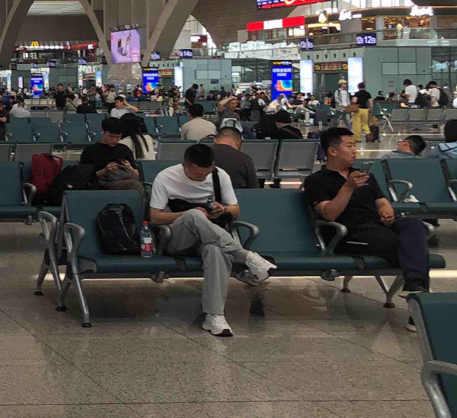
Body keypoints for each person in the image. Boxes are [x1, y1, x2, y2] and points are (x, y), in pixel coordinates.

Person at [148, 143, 274, 337]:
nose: (203, 178)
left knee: (216, 250)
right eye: (198, 175)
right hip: (177, 239)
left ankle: (215, 316)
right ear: (185, 165)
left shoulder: (219, 176)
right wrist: (188, 214)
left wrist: (222, 210)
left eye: (207, 174)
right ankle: (246, 257)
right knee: (194, 215)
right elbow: (155, 217)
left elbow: (235, 211)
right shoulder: (166, 177)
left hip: (209, 237)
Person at [305, 128, 431, 309]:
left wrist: (387, 212)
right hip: (347, 234)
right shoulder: (315, 181)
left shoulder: (365, 176)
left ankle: (414, 286)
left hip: (377, 227)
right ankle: (418, 303)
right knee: (414, 248)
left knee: (414, 225)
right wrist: (348, 187)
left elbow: (382, 201)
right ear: (332, 151)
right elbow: (329, 214)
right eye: (349, 146)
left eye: (354, 145)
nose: (355, 150)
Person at [80, 116, 145, 195]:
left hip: (124, 179)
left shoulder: (124, 149)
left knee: (135, 184)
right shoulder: (90, 151)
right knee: (135, 185)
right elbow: (85, 176)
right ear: (103, 132)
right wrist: (105, 171)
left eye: (118, 137)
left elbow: (136, 174)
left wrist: (129, 168)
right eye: (111, 136)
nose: (114, 140)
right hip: (103, 184)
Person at [210, 124, 260, 190]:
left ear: (215, 140)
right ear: (238, 143)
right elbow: (254, 188)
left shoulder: (201, 154)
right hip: (237, 194)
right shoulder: (245, 159)